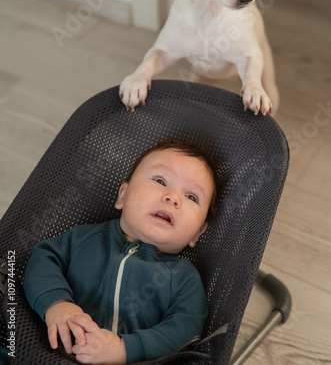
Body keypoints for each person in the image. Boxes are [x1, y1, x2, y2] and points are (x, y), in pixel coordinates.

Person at [23, 139, 217, 364]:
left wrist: (125, 349)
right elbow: (41, 259)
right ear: (122, 195)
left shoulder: (184, 279)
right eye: (160, 180)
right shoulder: (84, 239)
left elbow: (186, 330)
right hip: (43, 354)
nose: (173, 198)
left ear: (197, 233)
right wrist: (56, 304)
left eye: (192, 197)